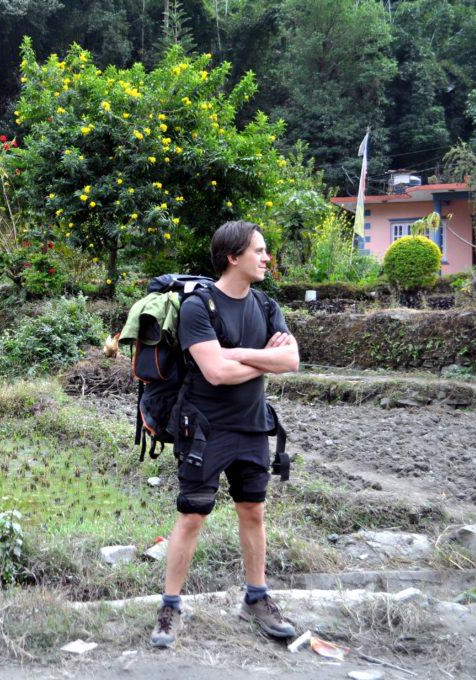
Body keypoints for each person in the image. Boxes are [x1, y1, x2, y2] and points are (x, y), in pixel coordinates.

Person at [151, 220, 300, 648]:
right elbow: (214, 372)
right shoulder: (199, 307)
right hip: (204, 429)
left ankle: (256, 598)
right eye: (259, 250)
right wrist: (260, 359)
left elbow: (290, 360)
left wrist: (236, 354)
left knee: (253, 511)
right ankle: (171, 606)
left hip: (253, 425)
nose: (267, 258)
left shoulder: (267, 306)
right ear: (233, 257)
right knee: (193, 514)